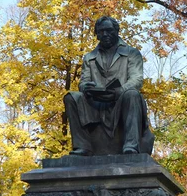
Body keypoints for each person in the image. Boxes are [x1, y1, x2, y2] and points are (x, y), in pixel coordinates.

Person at [64, 16, 154, 156]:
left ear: (116, 31)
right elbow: (83, 82)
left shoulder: (132, 53)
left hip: (121, 101)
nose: (105, 34)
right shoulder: (89, 57)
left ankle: (131, 145)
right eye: (101, 31)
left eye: (109, 30)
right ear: (97, 34)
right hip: (96, 103)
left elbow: (136, 80)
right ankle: (83, 146)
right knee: (72, 97)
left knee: (132, 94)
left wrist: (119, 91)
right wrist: (86, 87)